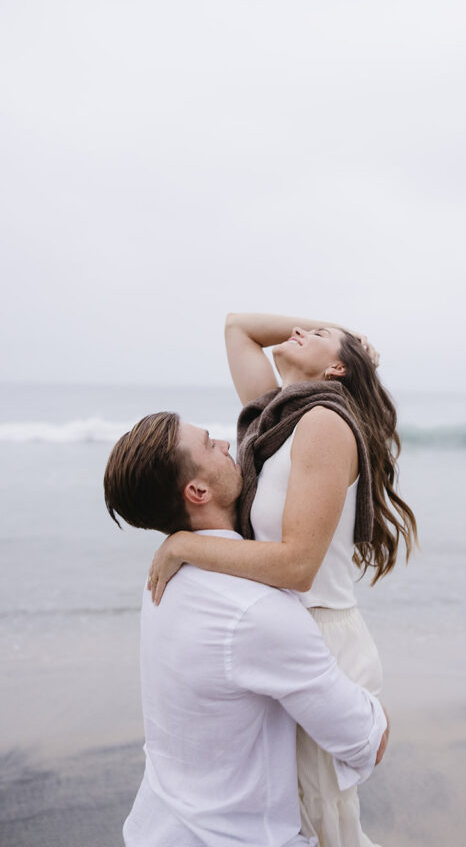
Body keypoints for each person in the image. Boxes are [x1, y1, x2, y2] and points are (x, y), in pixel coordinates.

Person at [147, 313, 417, 847]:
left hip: (318, 637)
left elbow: (298, 565)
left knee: (320, 823)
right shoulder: (275, 415)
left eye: (317, 339)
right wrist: (334, 327)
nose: (299, 334)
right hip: (277, 634)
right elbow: (237, 328)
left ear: (336, 368)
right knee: (281, 813)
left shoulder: (324, 424)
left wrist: (184, 544)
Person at [103, 411, 388, 847]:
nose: (225, 444)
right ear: (197, 491)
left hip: (156, 827)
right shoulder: (257, 612)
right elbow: (365, 742)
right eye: (208, 444)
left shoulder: (163, 578)